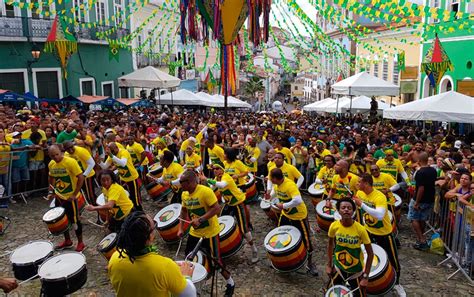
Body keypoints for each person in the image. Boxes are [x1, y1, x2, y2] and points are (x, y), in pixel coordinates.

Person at [108, 211, 196, 297]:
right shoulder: (164, 267)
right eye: (154, 225)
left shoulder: (115, 258)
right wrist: (186, 276)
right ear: (150, 237)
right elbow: (189, 294)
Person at [178, 170, 235, 297]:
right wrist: (181, 228)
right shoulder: (184, 194)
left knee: (216, 261)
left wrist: (201, 219)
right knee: (188, 258)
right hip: (194, 233)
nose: (180, 184)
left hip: (210, 233)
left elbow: (216, 208)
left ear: (191, 182)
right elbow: (183, 211)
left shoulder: (205, 191)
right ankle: (191, 286)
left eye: (182, 182)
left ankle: (230, 283)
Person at [353, 173, 404, 295]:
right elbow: (360, 211)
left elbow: (380, 215)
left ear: (366, 183)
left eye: (359, 182)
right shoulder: (360, 193)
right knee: (368, 256)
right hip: (368, 232)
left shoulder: (379, 196)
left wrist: (362, 204)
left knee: (393, 259)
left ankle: (397, 283)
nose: (357, 184)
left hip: (384, 234)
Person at [204, 164, 258, 263]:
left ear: (222, 169)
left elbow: (221, 185)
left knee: (244, 228)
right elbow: (211, 188)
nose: (215, 170)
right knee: (221, 223)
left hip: (238, 203)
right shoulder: (217, 178)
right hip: (229, 204)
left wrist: (206, 179)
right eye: (213, 169)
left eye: (217, 168)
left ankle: (254, 249)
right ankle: (223, 247)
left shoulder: (226, 177)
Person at [268, 168, 318, 275]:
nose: (270, 180)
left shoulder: (290, 185)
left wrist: (283, 205)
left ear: (276, 178)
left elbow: (298, 200)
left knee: (306, 239)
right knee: (280, 234)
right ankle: (282, 260)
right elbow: (277, 194)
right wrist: (270, 197)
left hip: (299, 216)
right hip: (286, 214)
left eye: (271, 178)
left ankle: (310, 263)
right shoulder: (277, 185)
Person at [326, 198, 373, 297]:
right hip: (339, 268)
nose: (346, 210)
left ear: (353, 211)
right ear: (338, 211)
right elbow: (330, 245)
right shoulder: (334, 226)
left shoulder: (361, 229)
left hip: (355, 271)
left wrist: (365, 277)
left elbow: (370, 254)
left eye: (349, 208)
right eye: (343, 208)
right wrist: (329, 265)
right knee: (330, 292)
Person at [47, 145, 86, 252]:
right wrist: (51, 191)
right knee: (61, 219)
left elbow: (81, 177)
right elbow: (51, 177)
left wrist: (74, 194)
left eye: (57, 154)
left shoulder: (71, 162)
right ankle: (67, 240)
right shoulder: (51, 164)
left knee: (75, 220)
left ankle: (81, 242)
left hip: (70, 197)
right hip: (59, 196)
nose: (55, 157)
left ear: (61, 152)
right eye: (52, 156)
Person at [99, 143, 142, 211]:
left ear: (116, 148)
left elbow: (123, 163)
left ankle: (140, 212)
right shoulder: (112, 155)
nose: (112, 153)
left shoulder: (123, 152)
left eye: (112, 151)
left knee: (135, 198)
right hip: (123, 178)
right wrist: (98, 161)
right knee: (126, 196)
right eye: (111, 151)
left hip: (132, 178)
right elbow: (105, 166)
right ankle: (131, 211)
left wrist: (111, 155)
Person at [408, 152, 437, 251]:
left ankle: (422, 240)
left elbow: (421, 188)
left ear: (419, 161)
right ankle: (421, 239)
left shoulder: (420, 172)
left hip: (420, 199)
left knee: (413, 218)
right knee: (422, 219)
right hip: (430, 199)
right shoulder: (433, 170)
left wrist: (417, 202)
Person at [63, 141, 97, 206]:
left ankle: (95, 206)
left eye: (71, 147)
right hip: (77, 176)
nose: (70, 150)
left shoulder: (81, 151)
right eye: (68, 149)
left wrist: (84, 175)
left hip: (87, 175)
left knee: (90, 193)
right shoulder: (66, 155)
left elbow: (92, 163)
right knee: (81, 192)